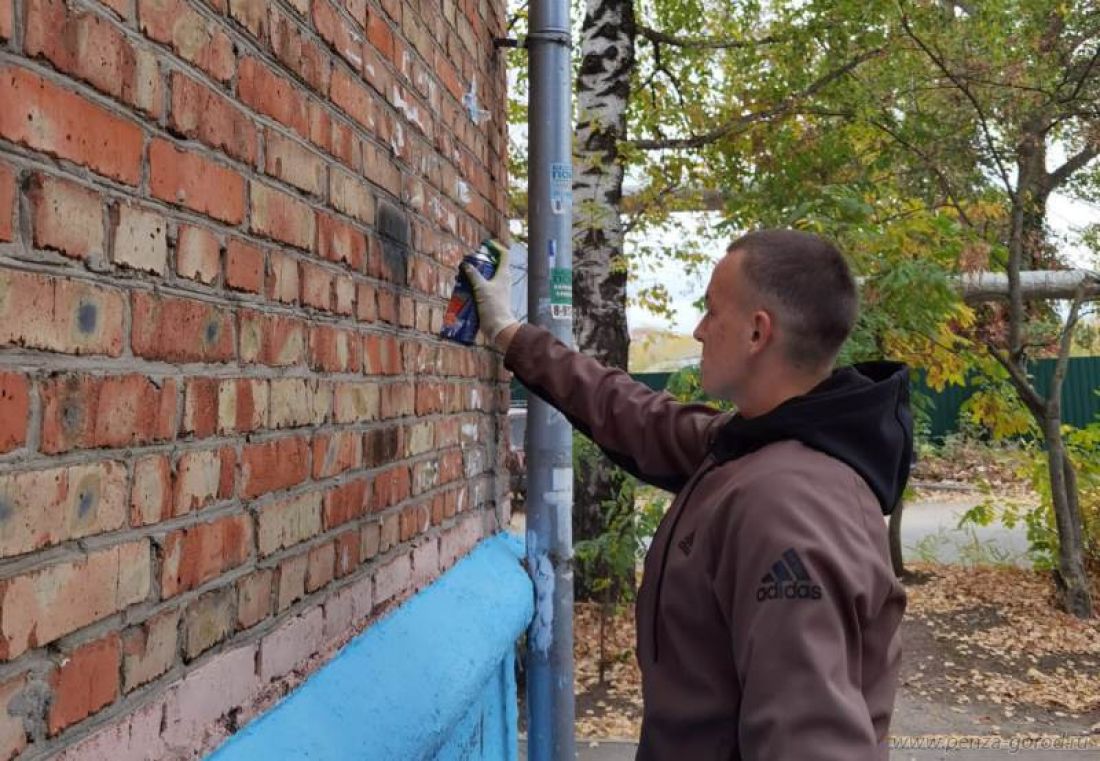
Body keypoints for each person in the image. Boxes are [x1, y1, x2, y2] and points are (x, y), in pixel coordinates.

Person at [466, 229, 912, 761]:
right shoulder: (753, 444)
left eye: (711, 311)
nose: (699, 330)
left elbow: (810, 743)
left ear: (756, 332)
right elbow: (635, 417)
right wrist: (512, 335)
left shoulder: (787, 505)